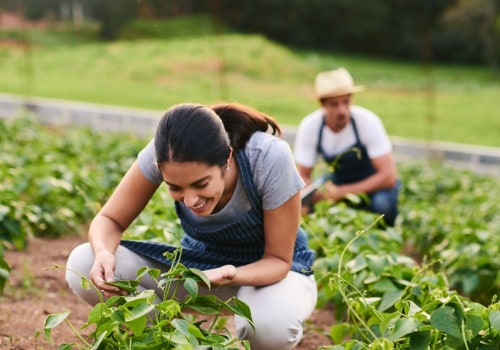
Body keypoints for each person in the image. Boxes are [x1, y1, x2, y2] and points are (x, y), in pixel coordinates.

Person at [65, 102, 317, 350]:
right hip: (200, 268)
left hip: (272, 274)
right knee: (83, 262)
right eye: (175, 187)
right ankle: (170, 340)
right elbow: (110, 220)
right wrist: (104, 254)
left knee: (267, 328)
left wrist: (231, 274)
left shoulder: (268, 157)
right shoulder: (163, 153)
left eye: (201, 184)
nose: (190, 200)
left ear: (227, 157)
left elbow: (277, 260)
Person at [294, 67, 400, 226]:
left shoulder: (367, 122)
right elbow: (303, 175)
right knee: (310, 206)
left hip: (374, 183)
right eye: (334, 104)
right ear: (322, 104)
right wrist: (315, 195)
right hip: (337, 180)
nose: (342, 110)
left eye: (346, 102)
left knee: (382, 205)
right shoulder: (311, 127)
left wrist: (343, 192)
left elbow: (388, 177)